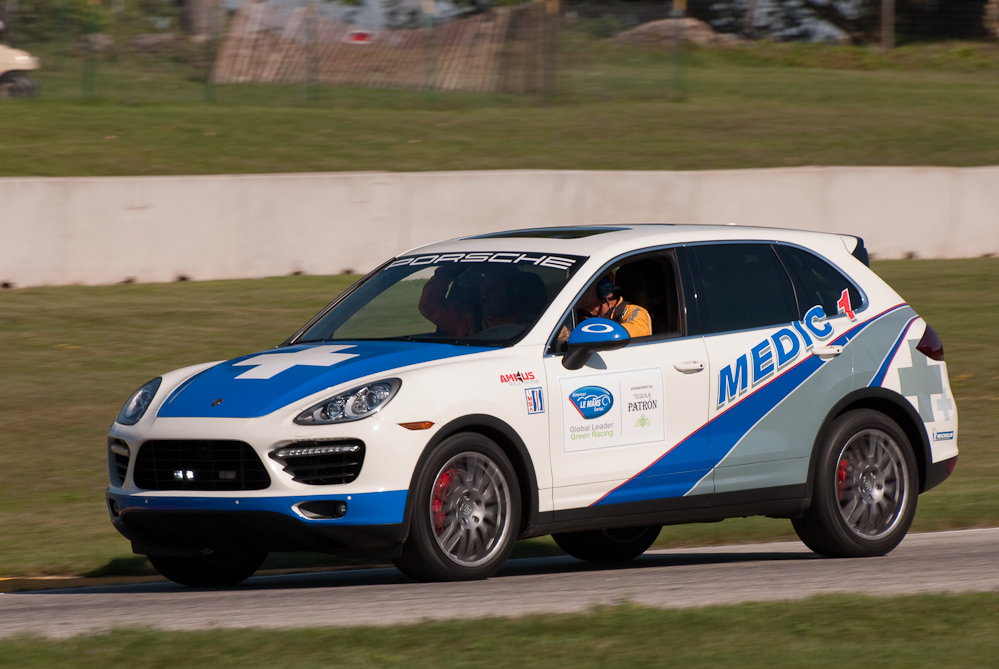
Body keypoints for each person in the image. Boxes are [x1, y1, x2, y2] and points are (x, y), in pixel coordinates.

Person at [419, 264, 536, 338]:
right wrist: (445, 274)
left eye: (491, 288)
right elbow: (429, 305)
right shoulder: (467, 317)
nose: (484, 293)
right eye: (482, 286)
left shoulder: (532, 327)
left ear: (514, 292)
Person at [561, 272, 652, 340]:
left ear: (604, 285)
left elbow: (625, 334)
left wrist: (573, 336)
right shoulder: (573, 317)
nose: (573, 291)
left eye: (581, 284)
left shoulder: (636, 312)